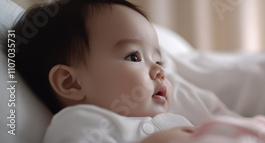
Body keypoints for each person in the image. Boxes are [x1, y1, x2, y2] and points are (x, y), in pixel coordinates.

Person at [12, 0, 194, 142]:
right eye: (133, 57)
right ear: (71, 83)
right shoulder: (82, 123)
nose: (160, 71)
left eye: (158, 60)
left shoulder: (178, 120)